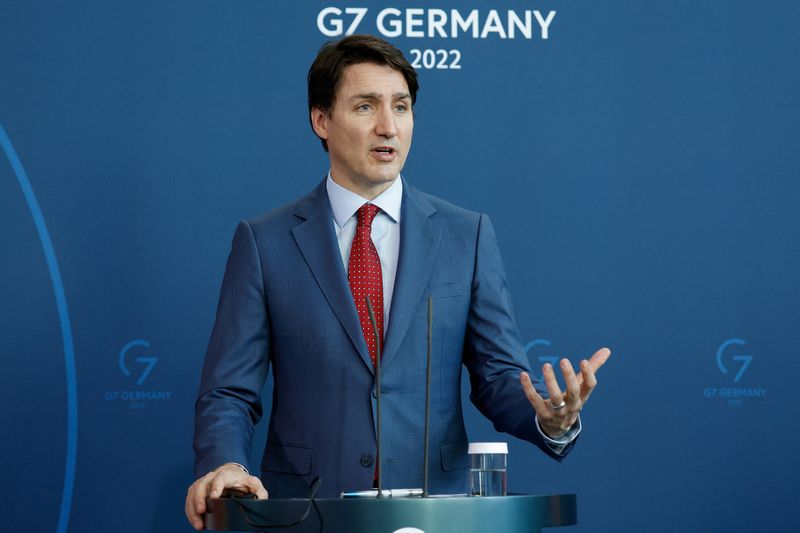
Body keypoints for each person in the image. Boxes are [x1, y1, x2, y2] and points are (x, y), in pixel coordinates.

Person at [185, 34, 610, 530]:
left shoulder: (466, 235)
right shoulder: (265, 243)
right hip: (307, 513)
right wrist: (225, 465)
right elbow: (228, 392)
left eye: (401, 107)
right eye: (365, 106)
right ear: (321, 120)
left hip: (438, 514)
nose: (388, 127)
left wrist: (550, 419)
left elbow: (498, 378)